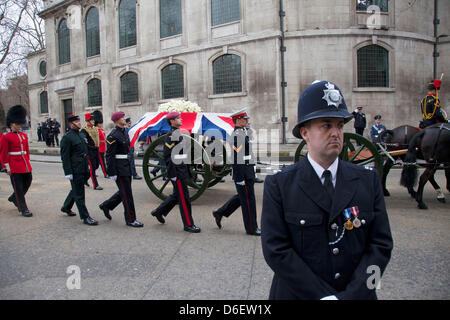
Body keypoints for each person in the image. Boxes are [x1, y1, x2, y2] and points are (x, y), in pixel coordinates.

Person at [261, 80, 393, 300]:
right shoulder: (280, 185)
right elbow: (276, 251)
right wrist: (322, 297)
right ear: (305, 133)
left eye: (340, 126)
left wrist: (354, 295)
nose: (336, 133)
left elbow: (381, 246)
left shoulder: (367, 180)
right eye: (326, 125)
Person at [212, 109, 261, 236]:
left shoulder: (243, 132)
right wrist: (240, 177)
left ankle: (220, 212)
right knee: (248, 201)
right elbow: (236, 157)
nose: (248, 121)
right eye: (245, 119)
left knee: (243, 197)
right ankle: (251, 228)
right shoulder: (236, 135)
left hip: (248, 171)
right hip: (242, 173)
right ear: (238, 120)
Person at [150, 112, 201, 233]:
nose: (181, 119)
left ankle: (158, 211)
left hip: (182, 169)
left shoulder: (178, 133)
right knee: (184, 198)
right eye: (178, 118)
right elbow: (168, 157)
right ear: (172, 121)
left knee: (176, 195)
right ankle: (188, 224)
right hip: (176, 172)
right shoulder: (171, 135)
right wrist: (172, 175)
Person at [99, 111, 143, 228]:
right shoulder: (113, 136)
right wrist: (111, 172)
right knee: (127, 194)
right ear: (117, 120)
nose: (124, 119)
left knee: (124, 192)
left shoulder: (125, 133)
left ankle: (106, 206)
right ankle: (130, 219)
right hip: (119, 169)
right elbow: (109, 155)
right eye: (122, 117)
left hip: (126, 166)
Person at [60, 114, 98, 226]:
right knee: (79, 193)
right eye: (76, 122)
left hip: (83, 166)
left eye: (79, 121)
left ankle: (66, 206)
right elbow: (65, 156)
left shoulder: (81, 135)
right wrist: (68, 172)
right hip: (75, 168)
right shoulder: (67, 137)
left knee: (76, 190)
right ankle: (85, 216)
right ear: (71, 124)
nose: (79, 123)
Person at [0, 105, 33, 217]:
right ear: (11, 124)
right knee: (18, 188)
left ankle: (14, 198)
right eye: (17, 124)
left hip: (25, 164)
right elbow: (3, 154)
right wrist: (7, 168)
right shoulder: (6, 137)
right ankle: (23, 208)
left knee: (28, 181)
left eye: (20, 124)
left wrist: (28, 162)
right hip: (14, 165)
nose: (19, 126)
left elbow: (26, 151)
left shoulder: (23, 135)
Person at [80, 113, 103, 190]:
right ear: (87, 121)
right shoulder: (84, 130)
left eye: (93, 119)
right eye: (91, 120)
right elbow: (83, 141)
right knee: (93, 167)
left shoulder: (95, 128)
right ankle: (95, 185)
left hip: (96, 150)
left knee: (96, 166)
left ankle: (84, 179)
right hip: (90, 151)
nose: (93, 121)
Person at [93, 110, 107, 178]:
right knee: (101, 162)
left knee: (99, 163)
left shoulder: (102, 130)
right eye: (99, 123)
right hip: (99, 148)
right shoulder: (96, 130)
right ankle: (105, 173)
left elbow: (104, 139)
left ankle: (92, 171)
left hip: (103, 147)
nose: (101, 124)